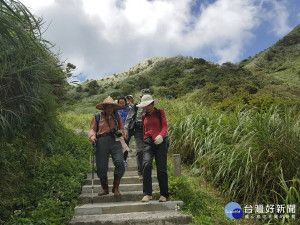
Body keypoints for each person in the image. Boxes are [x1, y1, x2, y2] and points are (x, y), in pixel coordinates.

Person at [88, 96, 125, 196]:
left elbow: (122, 128)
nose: (109, 109)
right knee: (101, 167)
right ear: (104, 107)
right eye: (107, 107)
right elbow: (92, 129)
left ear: (113, 108)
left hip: (115, 141)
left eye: (111, 107)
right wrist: (92, 136)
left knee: (120, 163)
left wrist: (120, 133)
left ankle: (115, 188)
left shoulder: (117, 116)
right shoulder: (97, 117)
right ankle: (105, 189)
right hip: (101, 141)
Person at [136, 94, 169, 203]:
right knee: (146, 165)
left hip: (160, 142)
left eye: (148, 105)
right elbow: (145, 129)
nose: (147, 108)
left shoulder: (160, 113)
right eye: (145, 106)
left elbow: (165, 126)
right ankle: (147, 194)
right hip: (148, 143)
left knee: (161, 169)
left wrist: (161, 135)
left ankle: (164, 194)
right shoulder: (144, 116)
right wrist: (145, 139)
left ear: (152, 104)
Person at [124, 89, 151, 180]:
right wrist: (126, 129)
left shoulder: (152, 107)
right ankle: (140, 172)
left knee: (148, 150)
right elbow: (129, 118)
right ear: (141, 97)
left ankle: (147, 170)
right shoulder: (136, 106)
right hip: (139, 129)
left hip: (149, 130)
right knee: (140, 150)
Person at [117, 97, 131, 166]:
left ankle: (124, 160)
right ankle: (119, 160)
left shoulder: (129, 109)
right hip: (118, 131)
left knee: (126, 145)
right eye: (120, 103)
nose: (122, 104)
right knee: (119, 146)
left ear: (125, 102)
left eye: (123, 103)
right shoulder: (115, 110)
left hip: (126, 130)